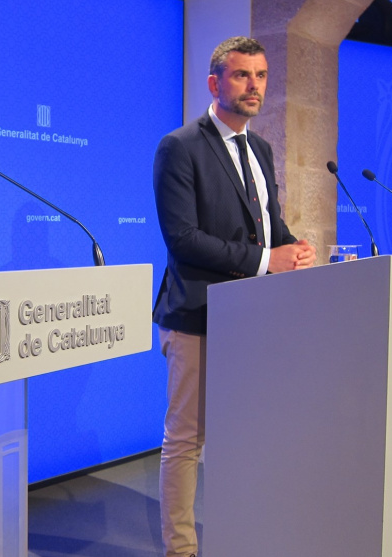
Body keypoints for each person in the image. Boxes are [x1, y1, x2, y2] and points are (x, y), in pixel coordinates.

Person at [151, 36, 317, 557]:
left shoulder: (260, 149)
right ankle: (181, 549)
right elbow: (183, 239)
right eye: (242, 75)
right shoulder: (180, 147)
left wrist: (294, 246)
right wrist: (267, 260)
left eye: (261, 75)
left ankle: (239, 532)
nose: (254, 86)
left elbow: (266, 226)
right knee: (187, 440)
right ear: (214, 83)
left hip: (252, 317)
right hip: (197, 315)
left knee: (244, 433)